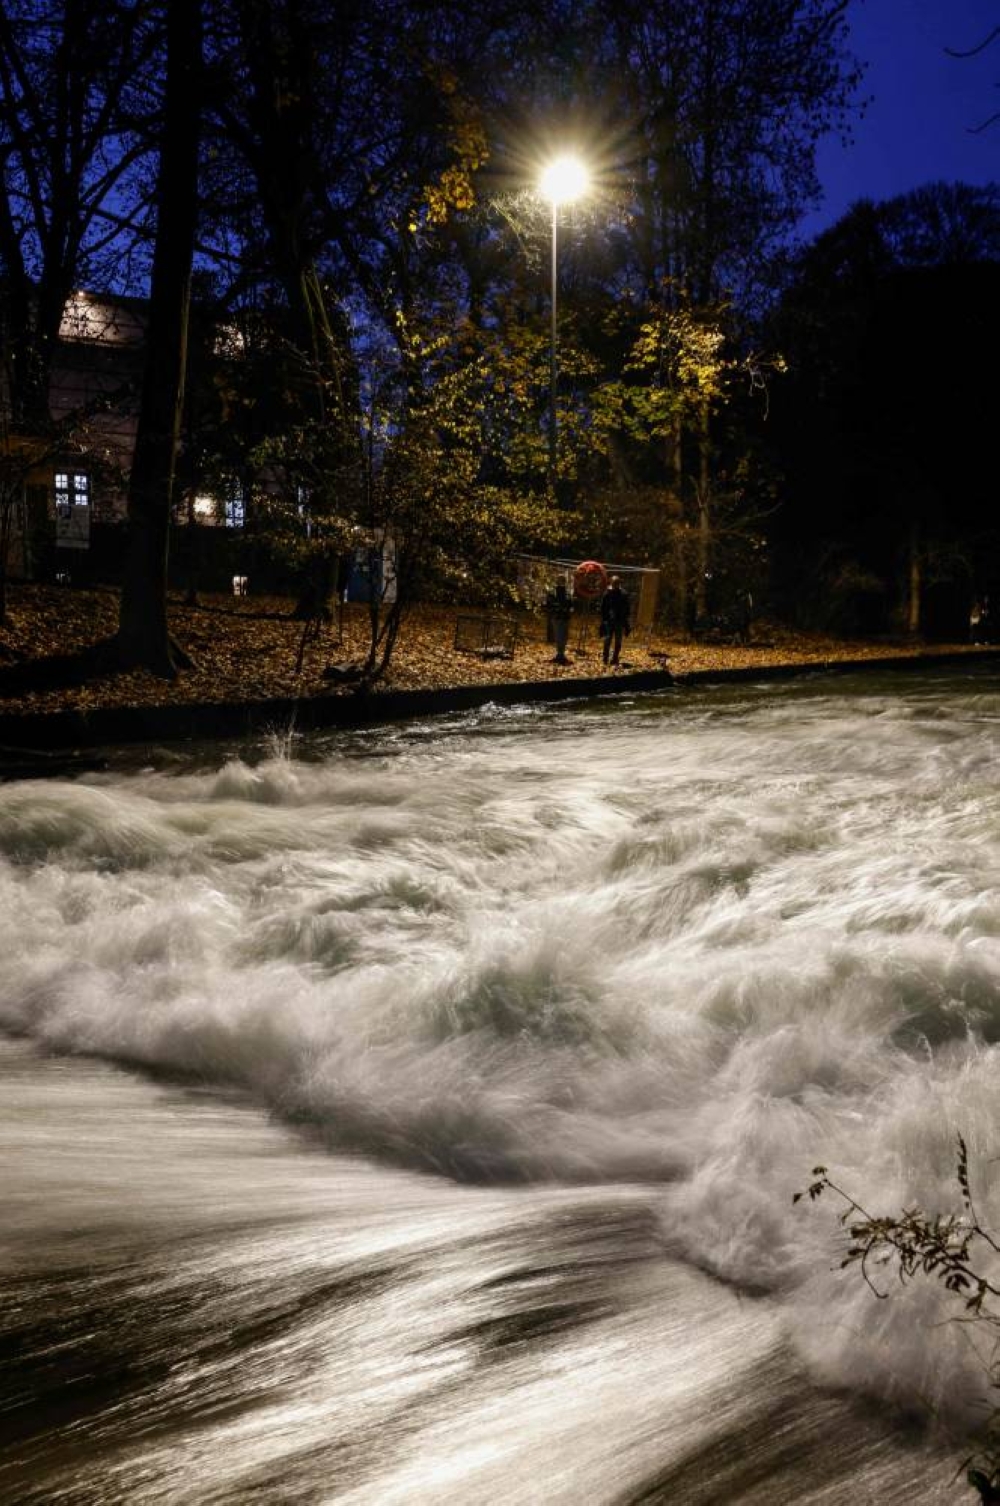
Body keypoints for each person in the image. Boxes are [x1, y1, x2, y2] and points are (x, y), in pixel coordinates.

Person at [599, 575, 631, 667]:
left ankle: (615, 658)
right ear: (611, 583)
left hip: (619, 621)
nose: (615, 585)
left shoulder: (624, 594)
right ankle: (605, 658)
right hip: (609, 621)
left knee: (618, 641)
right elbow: (603, 608)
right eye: (614, 583)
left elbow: (627, 609)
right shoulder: (607, 594)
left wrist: (625, 621)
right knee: (607, 640)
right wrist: (604, 620)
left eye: (617, 583)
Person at [546, 581, 573, 664]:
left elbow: (571, 605)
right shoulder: (553, 593)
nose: (561, 583)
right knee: (558, 635)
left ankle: (561, 653)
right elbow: (549, 604)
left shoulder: (567, 594)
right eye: (560, 580)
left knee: (564, 636)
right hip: (557, 617)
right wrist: (555, 610)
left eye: (562, 580)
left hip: (564, 617)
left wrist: (567, 610)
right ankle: (559, 653)